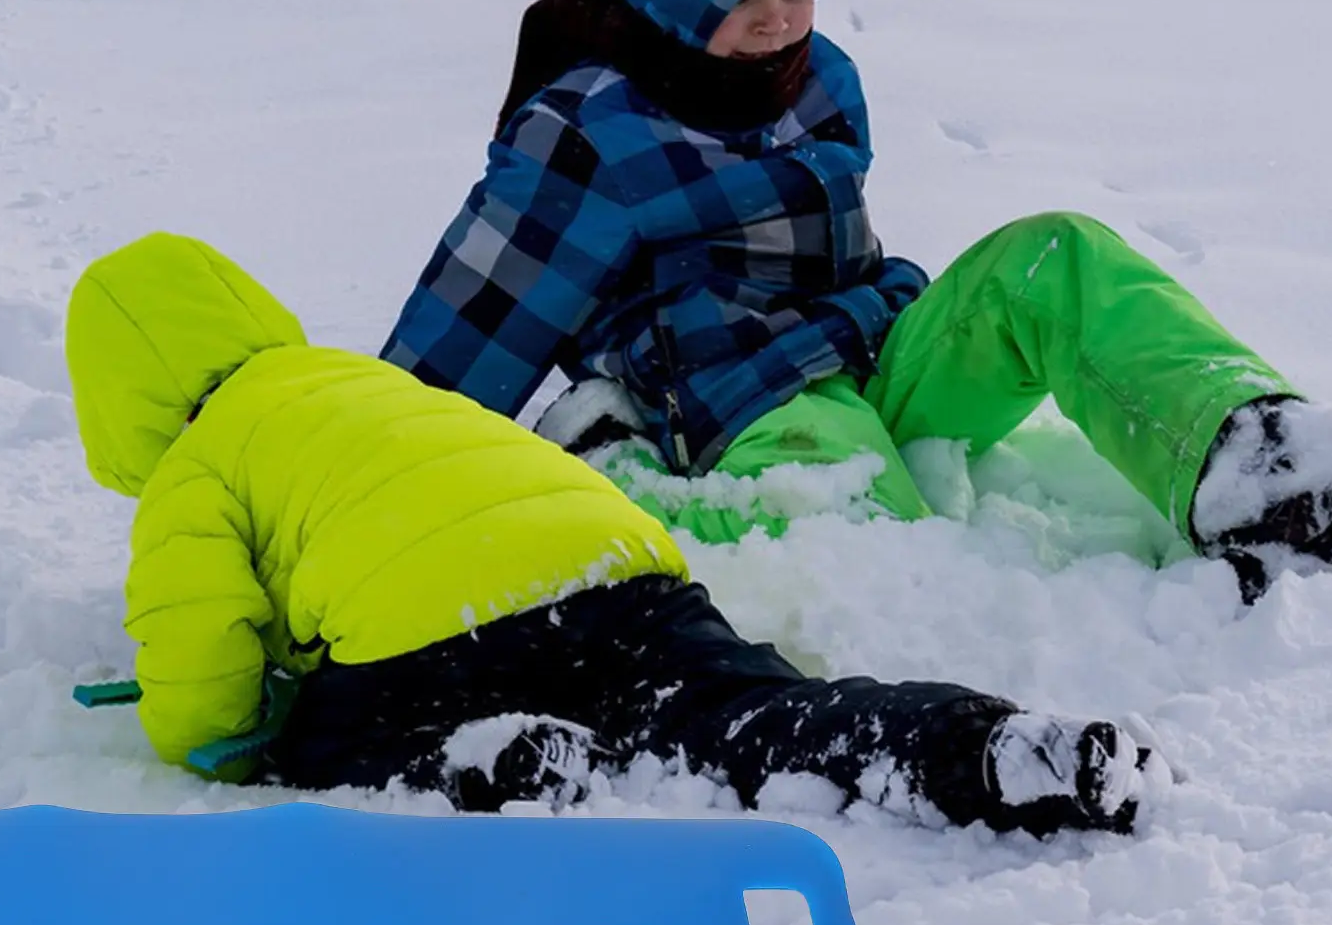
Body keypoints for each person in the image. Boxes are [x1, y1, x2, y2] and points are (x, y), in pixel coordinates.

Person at [380, 0, 1332, 601]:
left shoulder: (821, 79)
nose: (781, 21)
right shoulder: (585, 132)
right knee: (867, 519)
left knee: (1057, 256)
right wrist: (362, 481)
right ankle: (611, 475)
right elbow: (464, 331)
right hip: (723, 402)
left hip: (862, 344)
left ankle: (1267, 477)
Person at [64, 230, 1159, 836]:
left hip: (430, 631)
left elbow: (199, 666)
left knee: (311, 737)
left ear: (119, 409)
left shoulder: (194, 468)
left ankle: (490, 760)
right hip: (615, 566)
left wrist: (217, 740)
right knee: (754, 719)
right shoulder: (362, 382)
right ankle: (989, 749)